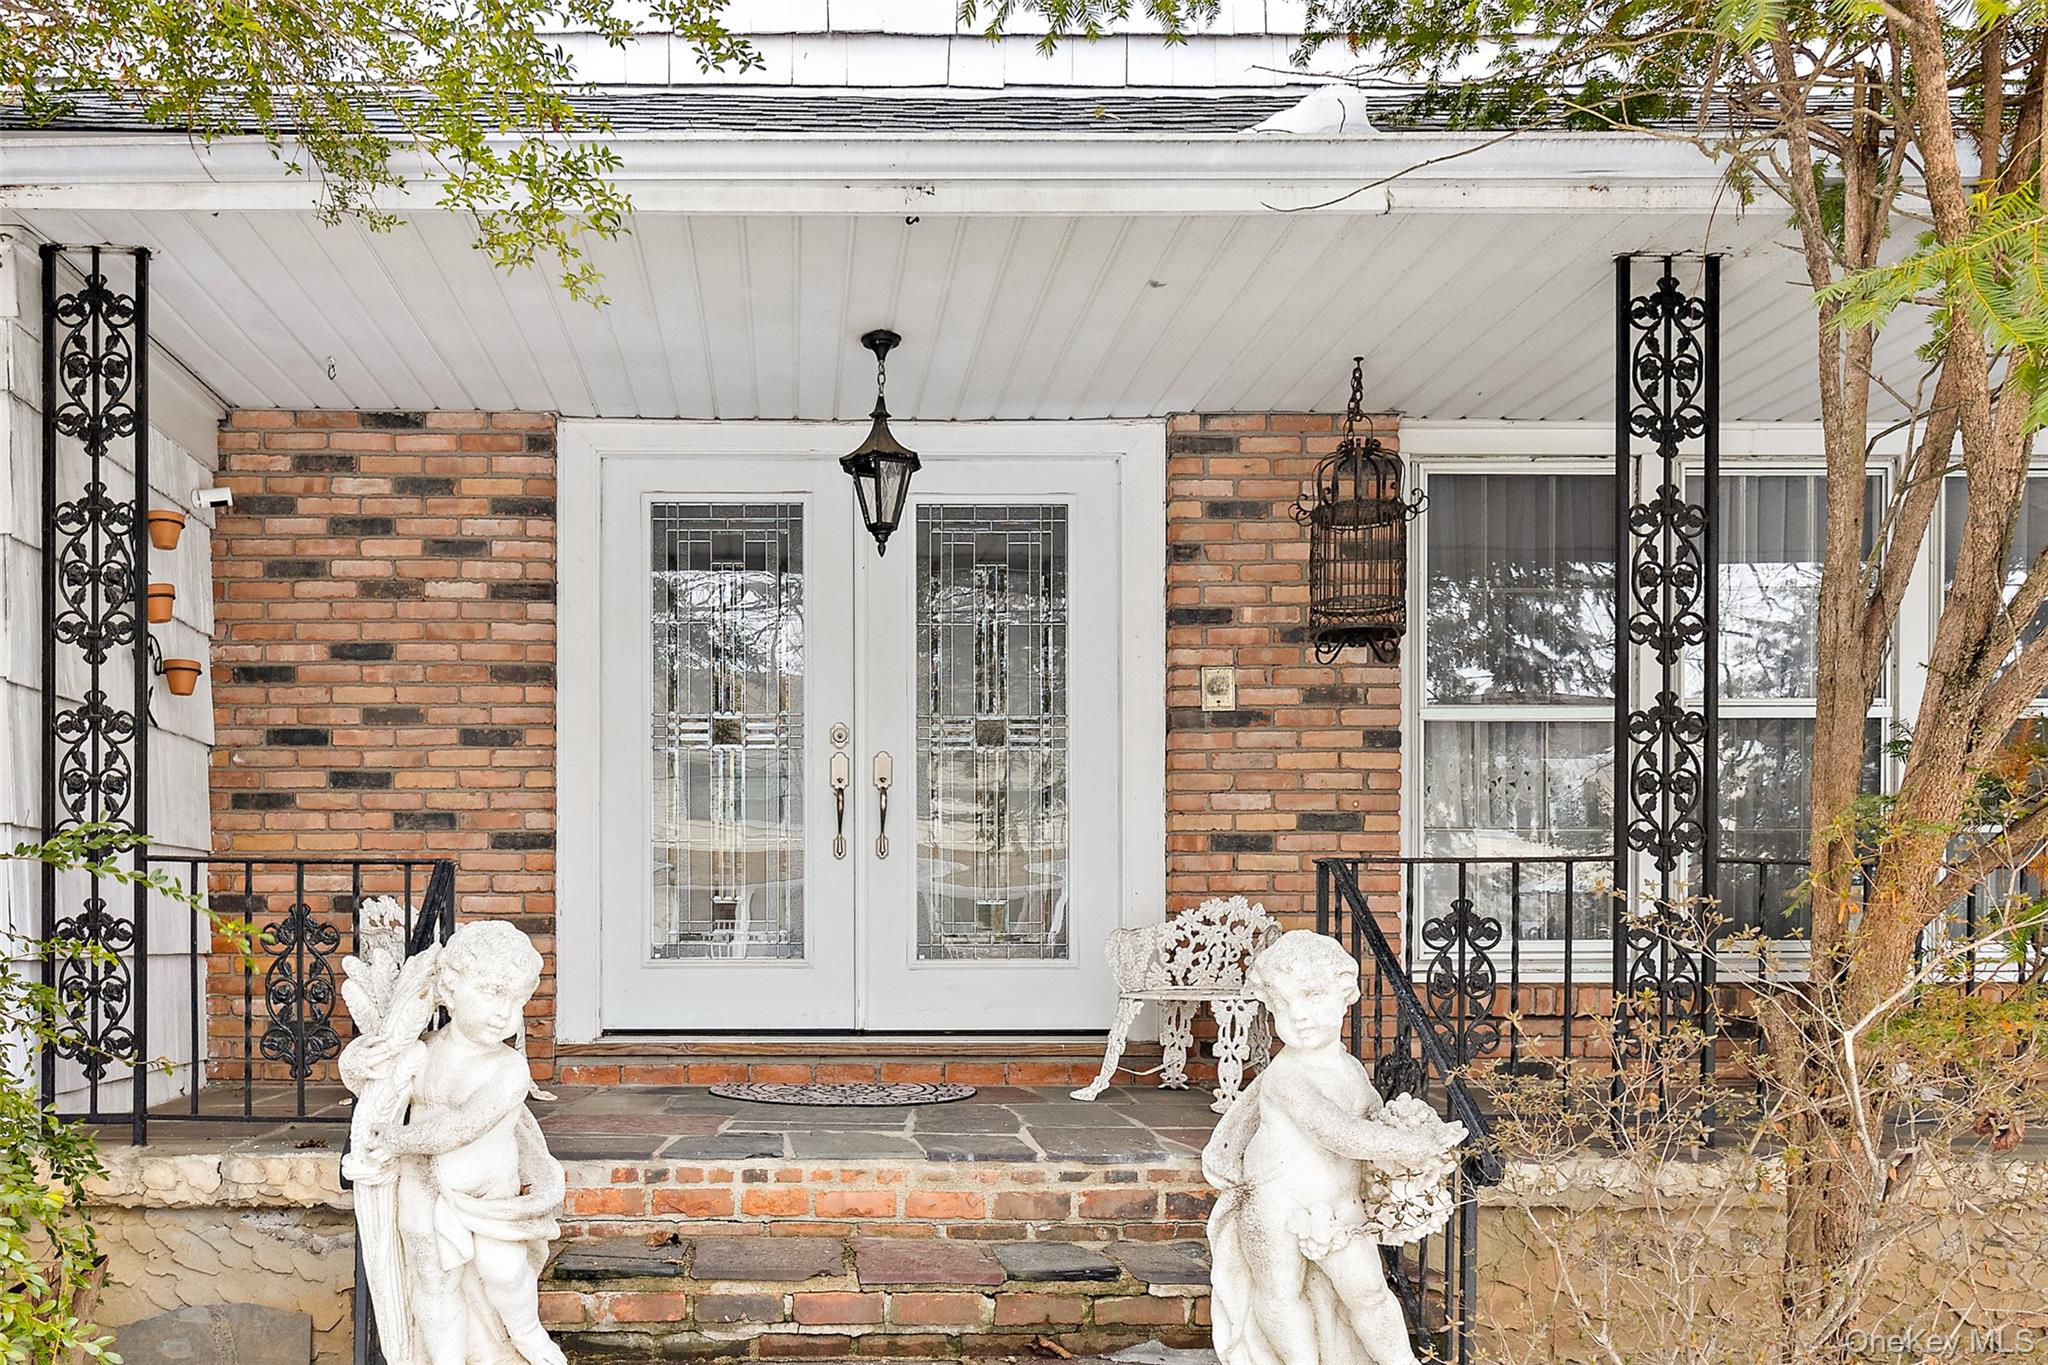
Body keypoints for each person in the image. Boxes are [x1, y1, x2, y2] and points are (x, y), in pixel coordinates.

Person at [1203, 930, 1467, 1365]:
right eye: (1282, 1006)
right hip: (1274, 1204)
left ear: (1345, 996)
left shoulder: (1349, 1070)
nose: (1298, 1016)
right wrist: (1413, 1144)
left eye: (1311, 997)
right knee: (1280, 1292)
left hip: (1338, 1207)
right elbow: (1340, 1133)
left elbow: (1371, 1122)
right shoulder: (1289, 1076)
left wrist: (1407, 1138)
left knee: (1370, 1294)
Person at [356, 920, 567, 1365]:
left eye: (517, 1001)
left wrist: (394, 1139)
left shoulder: (509, 1069)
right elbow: (369, 1086)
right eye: (492, 992)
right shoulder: (423, 1052)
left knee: (504, 1272)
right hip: (423, 1185)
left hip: (491, 1198)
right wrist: (361, 1058)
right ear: (449, 990)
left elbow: (460, 1127)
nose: (504, 1013)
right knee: (431, 1279)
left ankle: (526, 1333)